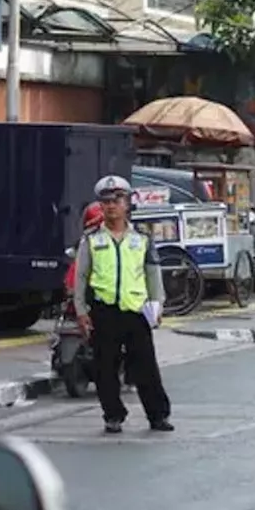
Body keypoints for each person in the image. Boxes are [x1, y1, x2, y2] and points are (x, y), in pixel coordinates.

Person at [72, 175, 173, 434]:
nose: (111, 206)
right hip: (104, 312)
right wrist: (82, 312)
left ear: (127, 203)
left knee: (145, 367)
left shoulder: (141, 239)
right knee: (105, 367)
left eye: (117, 200)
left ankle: (158, 415)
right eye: (105, 201)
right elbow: (81, 278)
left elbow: (153, 274)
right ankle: (113, 415)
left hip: (136, 311)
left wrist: (157, 305)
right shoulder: (92, 240)